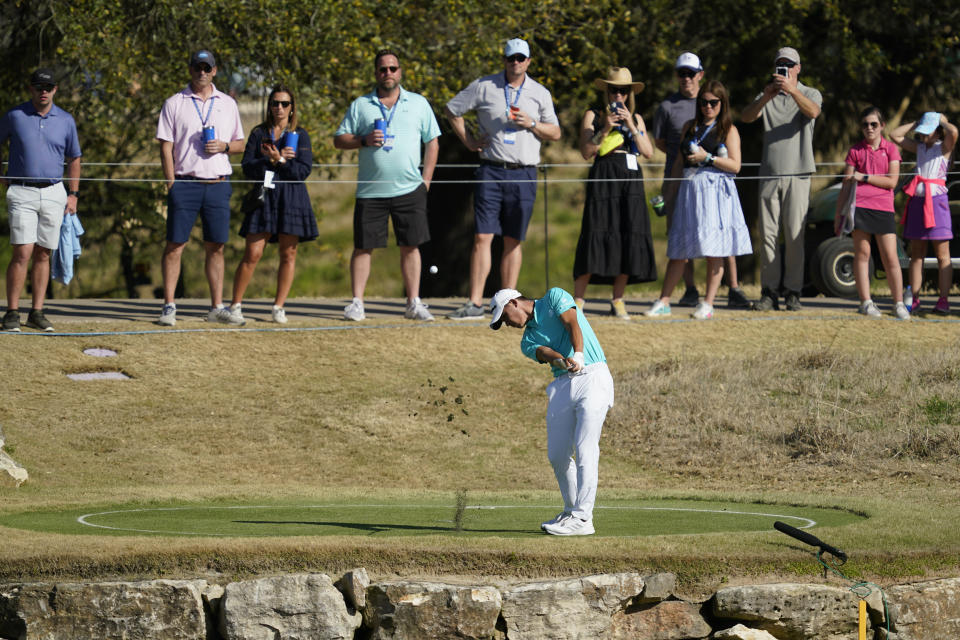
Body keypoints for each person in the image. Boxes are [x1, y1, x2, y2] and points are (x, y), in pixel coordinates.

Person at [446, 38, 562, 319]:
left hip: (523, 173)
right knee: (482, 237)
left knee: (513, 240)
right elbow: (452, 110)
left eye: (521, 58)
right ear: (505, 60)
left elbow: (556, 132)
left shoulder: (539, 93)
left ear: (528, 62)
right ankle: (475, 303)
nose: (516, 63)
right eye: (511, 58)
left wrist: (531, 124)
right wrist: (469, 140)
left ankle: (507, 304)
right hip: (491, 169)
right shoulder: (484, 86)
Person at [489, 286, 614, 536]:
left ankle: (583, 517)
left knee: (584, 447)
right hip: (562, 383)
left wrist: (577, 355)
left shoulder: (554, 297)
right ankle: (571, 511)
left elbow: (572, 323)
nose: (507, 324)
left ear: (513, 303)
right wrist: (562, 361)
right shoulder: (527, 340)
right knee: (557, 454)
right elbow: (545, 353)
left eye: (504, 318)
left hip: (594, 376)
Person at [334, 49, 440, 322]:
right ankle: (357, 303)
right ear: (376, 73)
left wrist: (426, 181)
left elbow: (433, 141)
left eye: (393, 68)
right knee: (363, 247)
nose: (388, 73)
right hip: (371, 191)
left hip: (410, 188)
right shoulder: (361, 104)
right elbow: (339, 139)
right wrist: (363, 140)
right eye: (383, 69)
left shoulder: (417, 103)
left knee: (411, 246)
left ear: (400, 71)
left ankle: (413, 302)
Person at [645, 80, 752, 320]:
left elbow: (735, 165)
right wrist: (668, 192)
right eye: (703, 102)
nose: (708, 107)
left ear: (722, 104)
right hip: (689, 192)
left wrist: (708, 157)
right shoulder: (689, 127)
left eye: (713, 102)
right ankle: (664, 300)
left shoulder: (728, 130)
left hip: (716, 194)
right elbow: (678, 163)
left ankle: (708, 303)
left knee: (716, 248)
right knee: (679, 248)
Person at [156, 49, 245, 326]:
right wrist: (171, 182)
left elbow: (240, 143)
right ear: (190, 69)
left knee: (215, 246)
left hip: (218, 184)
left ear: (215, 71)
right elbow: (165, 145)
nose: (202, 72)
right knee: (175, 245)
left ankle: (216, 306)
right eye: (198, 67)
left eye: (207, 68)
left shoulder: (228, 103)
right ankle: (169, 306)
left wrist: (225, 146)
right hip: (185, 183)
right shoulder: (174, 103)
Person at [741, 46, 822, 312]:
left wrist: (793, 90)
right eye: (780, 64)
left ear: (798, 68)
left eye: (789, 65)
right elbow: (746, 117)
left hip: (799, 175)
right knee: (768, 236)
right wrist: (765, 97)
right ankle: (769, 291)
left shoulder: (810, 93)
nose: (784, 69)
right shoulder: (768, 94)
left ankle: (793, 292)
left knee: (795, 236)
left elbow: (813, 112)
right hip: (770, 175)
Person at [0, 68, 81, 332]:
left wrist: (73, 194)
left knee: (44, 253)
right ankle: (12, 313)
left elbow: (74, 158)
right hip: (22, 190)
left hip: (54, 191)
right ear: (31, 89)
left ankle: (37, 311)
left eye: (48, 87)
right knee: (22, 252)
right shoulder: (15, 115)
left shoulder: (66, 120)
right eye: (38, 87)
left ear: (55, 89)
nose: (43, 91)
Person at [229, 85, 317, 324]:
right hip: (265, 195)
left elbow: (302, 171)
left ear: (292, 108)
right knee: (253, 253)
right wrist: (269, 159)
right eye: (275, 103)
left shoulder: (301, 134)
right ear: (269, 106)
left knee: (288, 254)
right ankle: (235, 305)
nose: (279, 108)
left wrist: (279, 160)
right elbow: (247, 167)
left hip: (292, 197)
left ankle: (279, 306)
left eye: (285, 104)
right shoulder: (259, 133)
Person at [572, 67, 656, 319]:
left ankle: (617, 300)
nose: (618, 95)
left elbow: (648, 152)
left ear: (629, 93)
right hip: (603, 176)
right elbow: (586, 151)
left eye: (623, 90)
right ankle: (578, 300)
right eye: (613, 90)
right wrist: (605, 128)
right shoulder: (593, 115)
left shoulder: (637, 118)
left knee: (628, 233)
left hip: (630, 179)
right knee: (595, 231)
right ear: (606, 91)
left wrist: (630, 123)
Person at [833, 106, 908, 320]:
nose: (869, 128)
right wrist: (839, 214)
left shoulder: (891, 149)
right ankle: (865, 302)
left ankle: (899, 303)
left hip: (884, 208)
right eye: (865, 124)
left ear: (882, 126)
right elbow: (846, 185)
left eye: (874, 124)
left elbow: (891, 182)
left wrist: (863, 177)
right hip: (860, 208)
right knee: (862, 255)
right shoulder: (855, 151)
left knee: (890, 256)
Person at [890, 112, 957, 315]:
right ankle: (916, 298)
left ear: (937, 133)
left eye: (927, 132)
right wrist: (915, 123)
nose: (922, 136)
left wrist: (941, 121)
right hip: (918, 202)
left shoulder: (944, 148)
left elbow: (954, 132)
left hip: (937, 203)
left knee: (942, 255)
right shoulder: (919, 147)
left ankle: (943, 300)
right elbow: (894, 135)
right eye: (922, 132)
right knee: (916, 253)